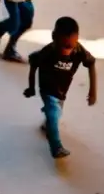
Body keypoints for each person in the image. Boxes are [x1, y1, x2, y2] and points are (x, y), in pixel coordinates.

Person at [25, 16, 96, 159]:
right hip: (47, 89)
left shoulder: (79, 50)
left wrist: (92, 91)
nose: (66, 51)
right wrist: (32, 87)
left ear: (76, 40)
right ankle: (56, 146)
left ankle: (47, 125)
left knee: (56, 113)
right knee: (54, 112)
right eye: (62, 46)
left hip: (62, 92)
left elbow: (91, 64)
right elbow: (34, 63)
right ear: (53, 38)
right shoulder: (47, 52)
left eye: (69, 46)